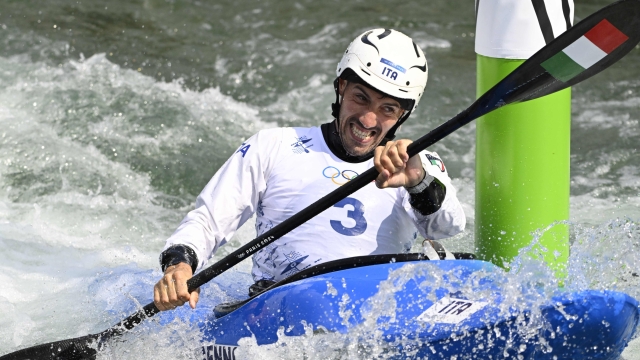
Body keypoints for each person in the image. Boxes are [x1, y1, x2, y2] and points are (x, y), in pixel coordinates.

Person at [153, 28, 466, 311]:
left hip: (376, 310)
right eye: (361, 98)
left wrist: (418, 182)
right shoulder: (273, 145)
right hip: (276, 304)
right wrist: (180, 264)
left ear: (402, 116)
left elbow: (447, 229)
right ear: (341, 87)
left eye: (387, 109)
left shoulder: (417, 164)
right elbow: (207, 221)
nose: (368, 121)